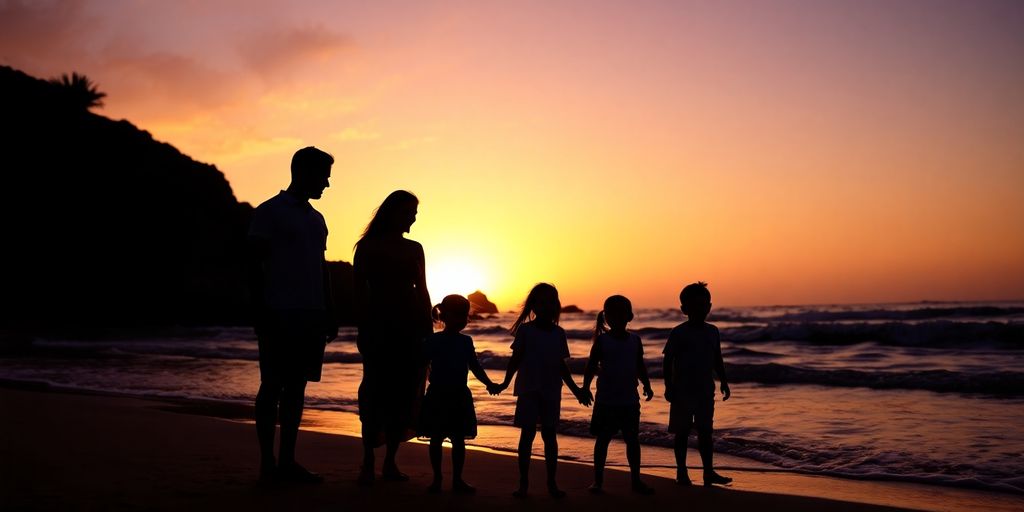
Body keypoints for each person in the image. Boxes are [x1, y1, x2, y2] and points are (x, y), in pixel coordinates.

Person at [247, 146, 337, 483]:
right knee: (272, 385)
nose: (327, 184)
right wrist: (260, 310)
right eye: (324, 176)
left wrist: (330, 310)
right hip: (278, 311)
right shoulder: (269, 212)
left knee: (297, 388)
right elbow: (254, 264)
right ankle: (267, 464)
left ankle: (287, 461)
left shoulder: (317, 219)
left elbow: (321, 268)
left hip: (311, 314)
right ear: (303, 172)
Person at [353, 190, 432, 485]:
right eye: (410, 212)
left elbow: (422, 291)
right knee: (374, 392)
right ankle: (368, 460)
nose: (414, 217)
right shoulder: (367, 247)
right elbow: (359, 292)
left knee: (405, 392)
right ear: (394, 212)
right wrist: (363, 329)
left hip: (412, 328)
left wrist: (429, 332)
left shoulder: (415, 248)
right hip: (379, 327)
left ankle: (389, 462)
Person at [495, 283, 591, 498]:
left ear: (557, 305)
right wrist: (504, 383)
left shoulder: (559, 333)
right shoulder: (526, 331)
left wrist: (577, 390)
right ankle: (523, 484)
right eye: (542, 302)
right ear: (534, 306)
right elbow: (516, 359)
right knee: (527, 435)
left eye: (551, 301)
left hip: (551, 390)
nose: (547, 306)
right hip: (528, 389)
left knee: (550, 435)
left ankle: (552, 483)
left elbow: (561, 366)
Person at [417, 294, 501, 494]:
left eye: (464, 316)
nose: (462, 320)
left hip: (459, 396)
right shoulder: (433, 340)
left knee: (458, 439)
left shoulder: (466, 341)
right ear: (444, 316)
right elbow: (419, 364)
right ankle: (437, 478)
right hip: (437, 395)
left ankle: (457, 479)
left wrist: (489, 383)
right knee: (436, 438)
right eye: (457, 315)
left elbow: (474, 366)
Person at [581, 295, 655, 495]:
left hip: (629, 400)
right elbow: (590, 366)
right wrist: (585, 388)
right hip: (606, 400)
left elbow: (639, 365)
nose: (617, 317)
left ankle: (636, 480)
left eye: (621, 312)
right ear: (606, 318)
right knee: (603, 440)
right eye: (612, 314)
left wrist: (646, 385)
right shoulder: (603, 341)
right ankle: (597, 481)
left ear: (629, 316)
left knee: (632, 440)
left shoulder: (635, 340)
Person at [662, 281, 732, 487]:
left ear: (709, 306)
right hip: (682, 390)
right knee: (681, 433)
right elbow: (668, 360)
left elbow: (717, 358)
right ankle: (681, 472)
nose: (700, 310)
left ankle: (708, 472)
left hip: (705, 390)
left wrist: (724, 381)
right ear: (684, 309)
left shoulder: (713, 331)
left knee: (705, 432)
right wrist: (668, 386)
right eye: (694, 306)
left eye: (704, 305)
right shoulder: (679, 332)